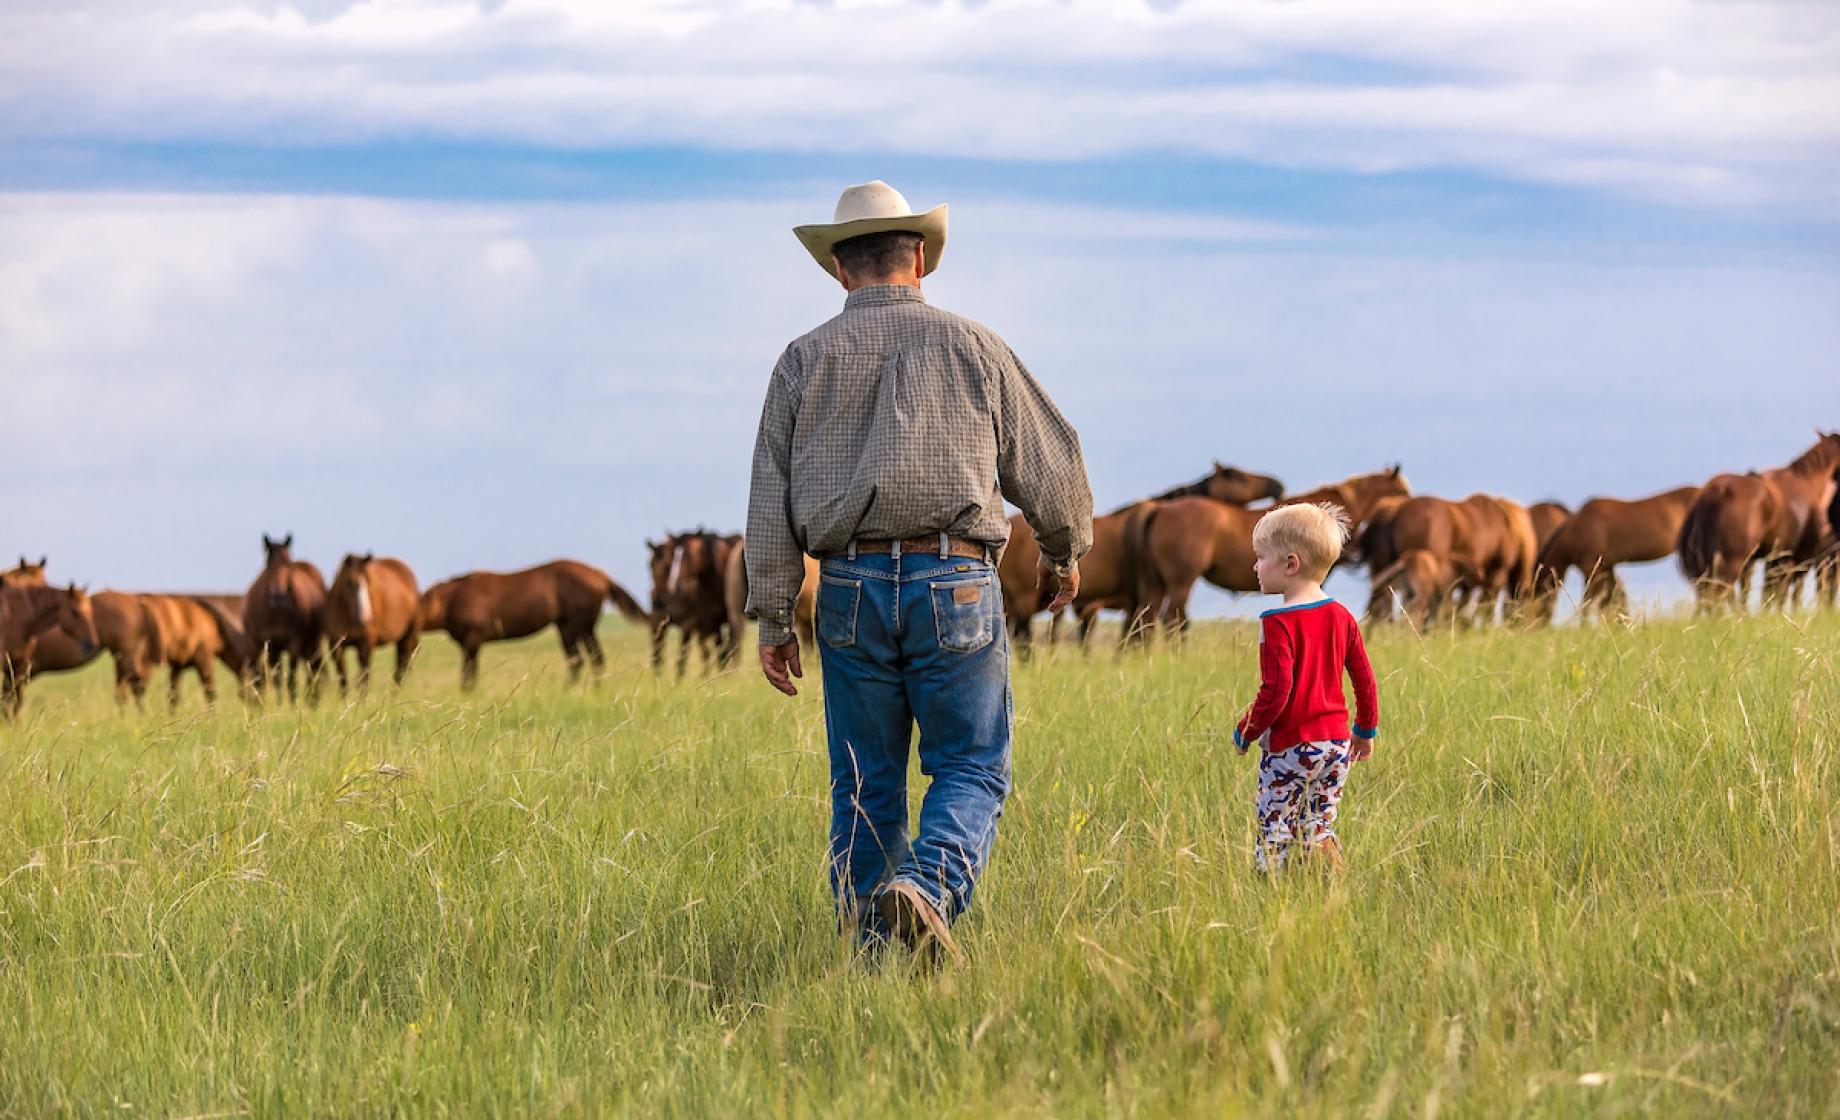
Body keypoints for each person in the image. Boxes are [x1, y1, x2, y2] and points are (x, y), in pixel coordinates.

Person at [746, 181, 1093, 962]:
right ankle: (930, 887)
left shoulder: (802, 360)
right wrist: (1065, 552)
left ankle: (876, 958)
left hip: (846, 589)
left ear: (840, 271)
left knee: (866, 785)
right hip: (957, 581)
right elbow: (1052, 462)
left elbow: (770, 498)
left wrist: (773, 616)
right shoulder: (976, 346)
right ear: (922, 261)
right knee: (971, 766)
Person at [1233, 503, 1380, 872]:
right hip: (1336, 745)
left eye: (1261, 557)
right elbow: (1364, 678)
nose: (1255, 566)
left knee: (1275, 828)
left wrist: (1247, 729)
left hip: (1291, 747)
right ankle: (1332, 889)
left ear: (1290, 564)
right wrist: (1364, 731)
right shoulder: (1342, 615)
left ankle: (1271, 896)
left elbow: (1277, 690)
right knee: (1318, 826)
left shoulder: (1276, 622)